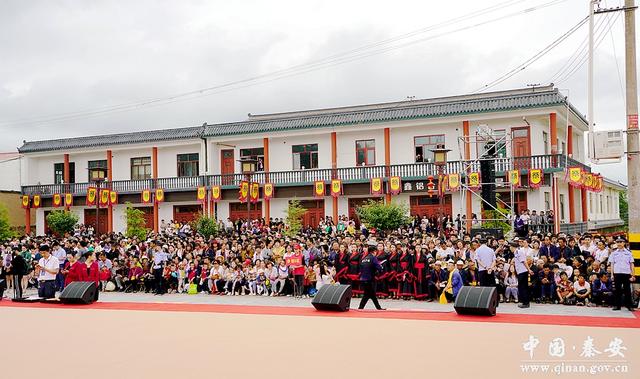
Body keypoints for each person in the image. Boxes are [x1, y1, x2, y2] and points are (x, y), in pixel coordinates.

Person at [609, 237, 635, 311]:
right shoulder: (614, 253)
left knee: (627, 290)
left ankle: (629, 305)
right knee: (617, 290)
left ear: (624, 243)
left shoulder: (629, 253)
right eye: (618, 242)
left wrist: (633, 274)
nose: (619, 244)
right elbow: (612, 264)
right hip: (617, 273)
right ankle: (617, 305)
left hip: (626, 273)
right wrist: (612, 274)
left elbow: (631, 264)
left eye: (621, 242)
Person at [358, 243, 385, 310]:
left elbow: (361, 268)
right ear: (374, 251)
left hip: (363, 279)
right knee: (369, 295)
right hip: (370, 279)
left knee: (368, 295)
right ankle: (377, 308)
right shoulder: (373, 258)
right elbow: (379, 267)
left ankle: (361, 308)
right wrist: (381, 268)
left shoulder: (364, 258)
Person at [512, 241, 532, 309]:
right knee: (521, 287)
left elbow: (524, 261)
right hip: (520, 272)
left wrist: (529, 269)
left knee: (523, 288)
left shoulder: (519, 252)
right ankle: (524, 301)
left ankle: (526, 303)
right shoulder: (516, 252)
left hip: (523, 271)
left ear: (512, 247)